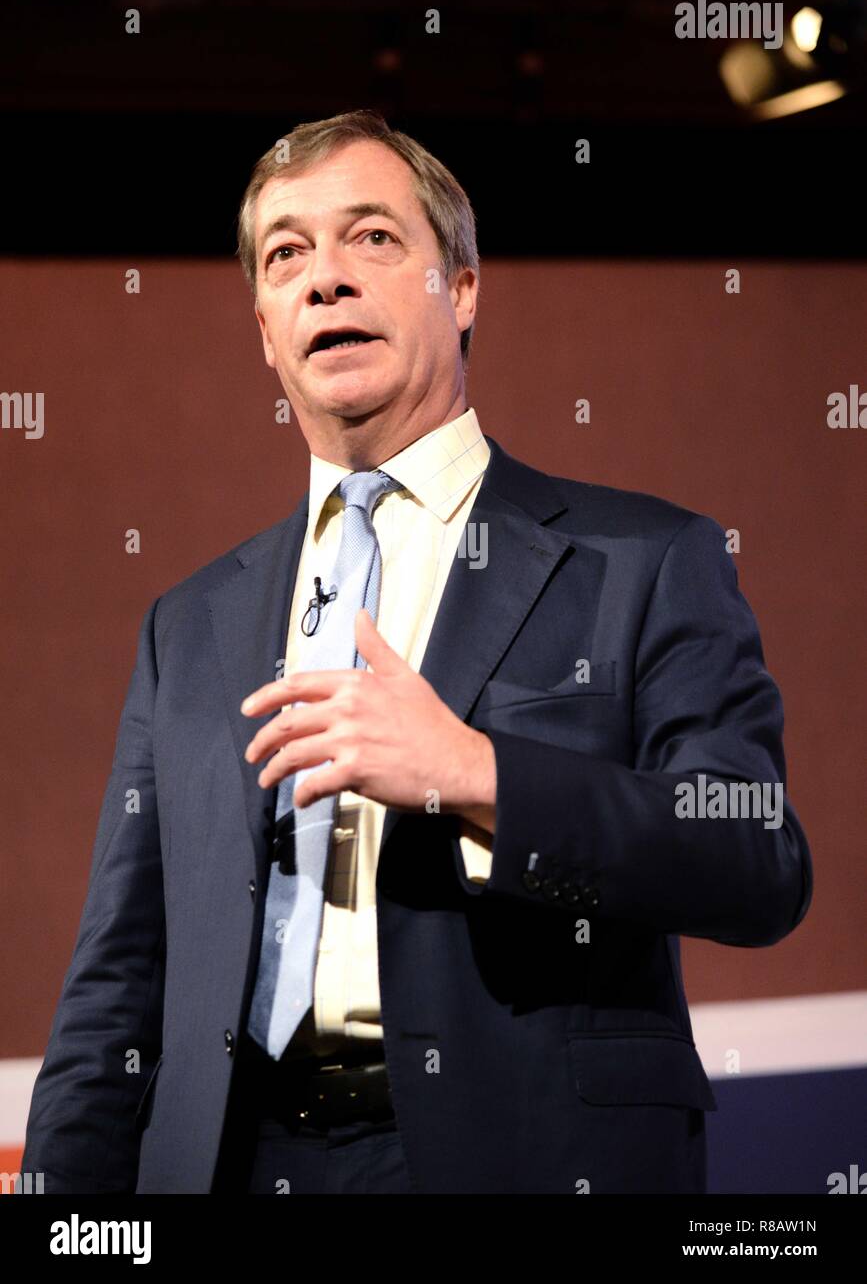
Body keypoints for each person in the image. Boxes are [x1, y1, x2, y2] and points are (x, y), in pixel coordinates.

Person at [22, 109, 812, 1195]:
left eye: (374, 239)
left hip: (522, 1158)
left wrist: (476, 775)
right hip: (232, 1163)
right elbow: (119, 969)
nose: (327, 279)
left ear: (466, 287)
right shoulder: (190, 621)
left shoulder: (638, 558)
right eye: (287, 253)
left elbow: (757, 858)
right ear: (263, 323)